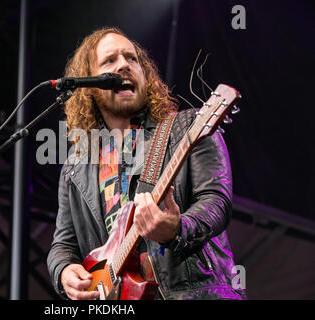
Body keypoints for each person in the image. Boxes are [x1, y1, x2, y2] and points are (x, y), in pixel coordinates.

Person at [46, 27, 246, 300]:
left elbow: (216, 200)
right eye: (110, 61)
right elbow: (63, 244)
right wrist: (64, 271)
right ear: (90, 87)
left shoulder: (186, 127)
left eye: (132, 58)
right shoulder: (75, 166)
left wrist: (177, 229)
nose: (124, 65)